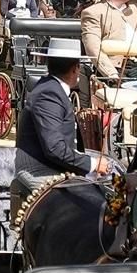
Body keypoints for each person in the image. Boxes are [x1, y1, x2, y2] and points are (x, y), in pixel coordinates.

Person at [15, 39, 101, 177]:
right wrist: (93, 164)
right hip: (40, 170)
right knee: (100, 195)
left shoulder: (50, 88)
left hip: (51, 165)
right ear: (75, 69)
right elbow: (54, 148)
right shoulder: (49, 94)